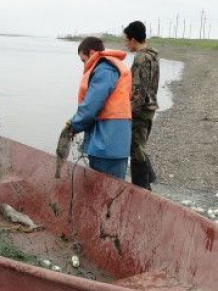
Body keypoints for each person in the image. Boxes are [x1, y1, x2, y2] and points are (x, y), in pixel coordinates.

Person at [67, 37, 132, 179]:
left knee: (105, 187)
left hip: (107, 143)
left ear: (91, 52)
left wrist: (72, 126)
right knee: (111, 187)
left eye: (83, 60)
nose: (84, 65)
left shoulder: (104, 69)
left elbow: (91, 106)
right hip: (115, 141)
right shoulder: (112, 66)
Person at [123, 21, 160, 190]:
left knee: (136, 150)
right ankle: (149, 181)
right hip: (151, 106)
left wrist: (129, 112)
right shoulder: (153, 55)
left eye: (126, 40)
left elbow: (137, 90)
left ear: (133, 40)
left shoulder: (140, 58)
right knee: (140, 147)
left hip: (141, 110)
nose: (125, 44)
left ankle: (141, 189)